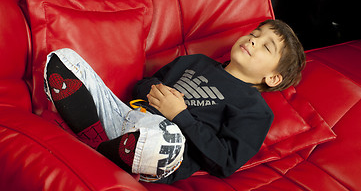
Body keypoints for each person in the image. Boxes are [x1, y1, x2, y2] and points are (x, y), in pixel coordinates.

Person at [44, 19, 305, 184]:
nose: (253, 40)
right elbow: (142, 84)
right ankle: (101, 140)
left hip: (163, 146)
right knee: (64, 58)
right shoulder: (197, 62)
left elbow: (225, 163)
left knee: (166, 137)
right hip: (127, 116)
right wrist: (156, 92)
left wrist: (179, 115)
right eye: (256, 34)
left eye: (266, 46)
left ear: (272, 78)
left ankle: (105, 144)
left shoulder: (255, 110)